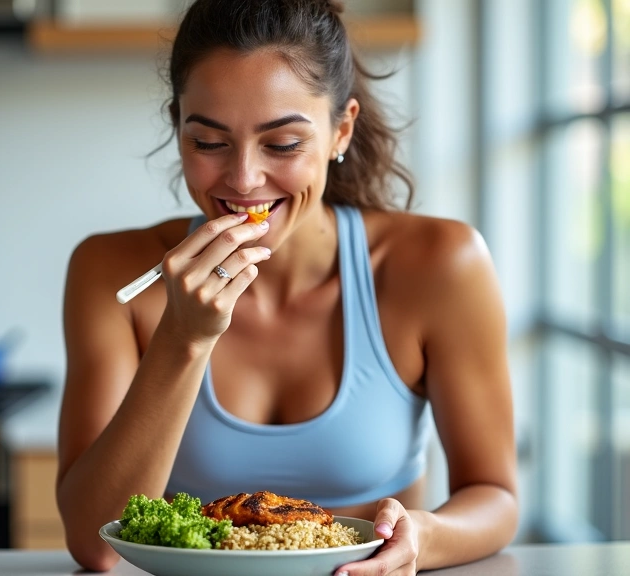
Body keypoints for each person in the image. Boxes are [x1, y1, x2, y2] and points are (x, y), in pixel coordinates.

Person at [55, 0, 518, 573]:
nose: (244, 179)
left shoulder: (441, 265)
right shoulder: (109, 271)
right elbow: (95, 545)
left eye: (282, 144)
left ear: (341, 130)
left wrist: (423, 537)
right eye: (209, 142)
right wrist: (183, 340)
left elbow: (496, 497)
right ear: (178, 128)